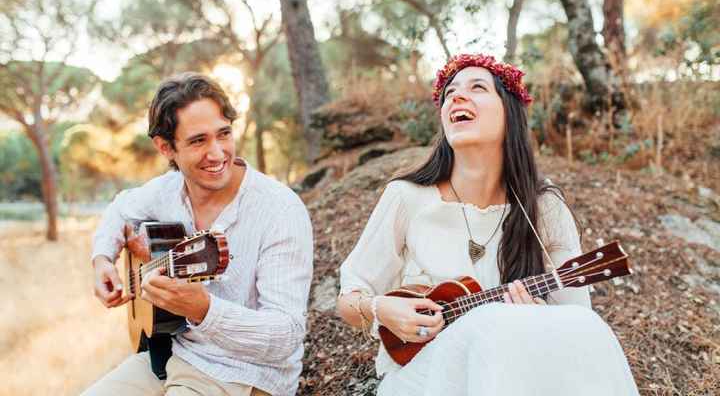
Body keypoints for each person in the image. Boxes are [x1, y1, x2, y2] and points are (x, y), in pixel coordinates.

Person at [336, 54, 639, 395]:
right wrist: (380, 308)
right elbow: (349, 298)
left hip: (516, 372)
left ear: (509, 113)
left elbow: (573, 319)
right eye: (450, 93)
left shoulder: (543, 207)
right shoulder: (407, 197)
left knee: (586, 326)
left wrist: (535, 318)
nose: (457, 97)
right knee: (492, 324)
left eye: (477, 87)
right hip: (421, 378)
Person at [85, 73, 313, 396]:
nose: (218, 153)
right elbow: (119, 208)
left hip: (245, 375)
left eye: (224, 134)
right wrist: (102, 258)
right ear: (166, 147)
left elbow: (286, 335)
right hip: (168, 355)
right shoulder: (165, 191)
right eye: (198, 141)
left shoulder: (280, 210)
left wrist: (205, 310)